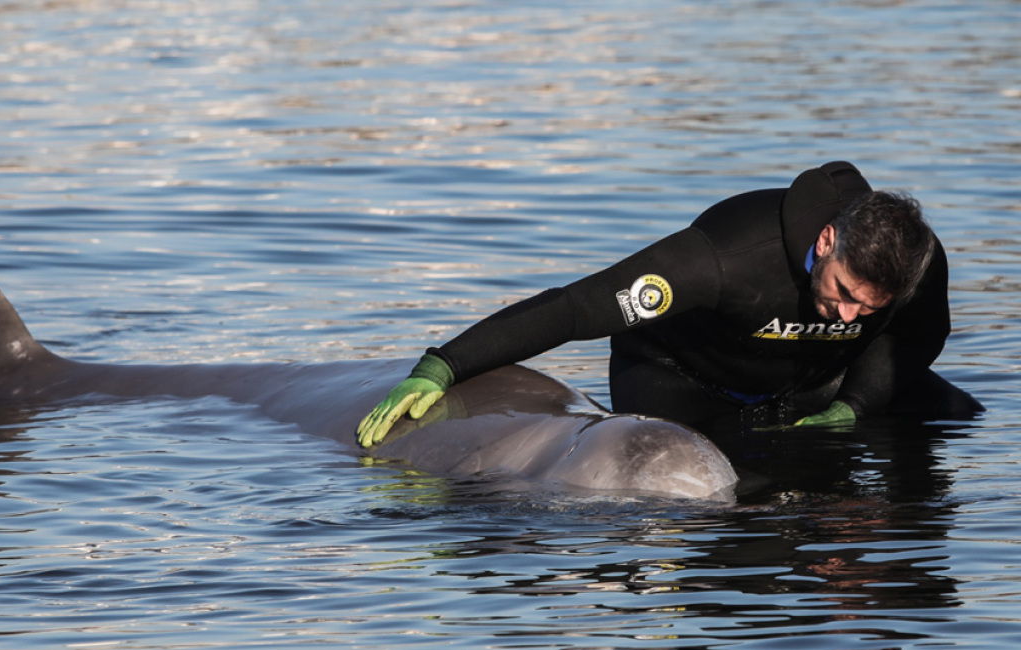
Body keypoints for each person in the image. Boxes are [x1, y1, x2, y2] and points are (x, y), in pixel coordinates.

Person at [356, 161, 981, 447]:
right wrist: (443, 365)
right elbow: (577, 307)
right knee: (732, 480)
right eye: (843, 294)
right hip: (679, 380)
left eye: (867, 310)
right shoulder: (726, 255)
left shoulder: (914, 266)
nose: (848, 317)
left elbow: (913, 342)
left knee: (957, 416)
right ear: (826, 241)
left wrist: (854, 406)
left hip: (813, 383)